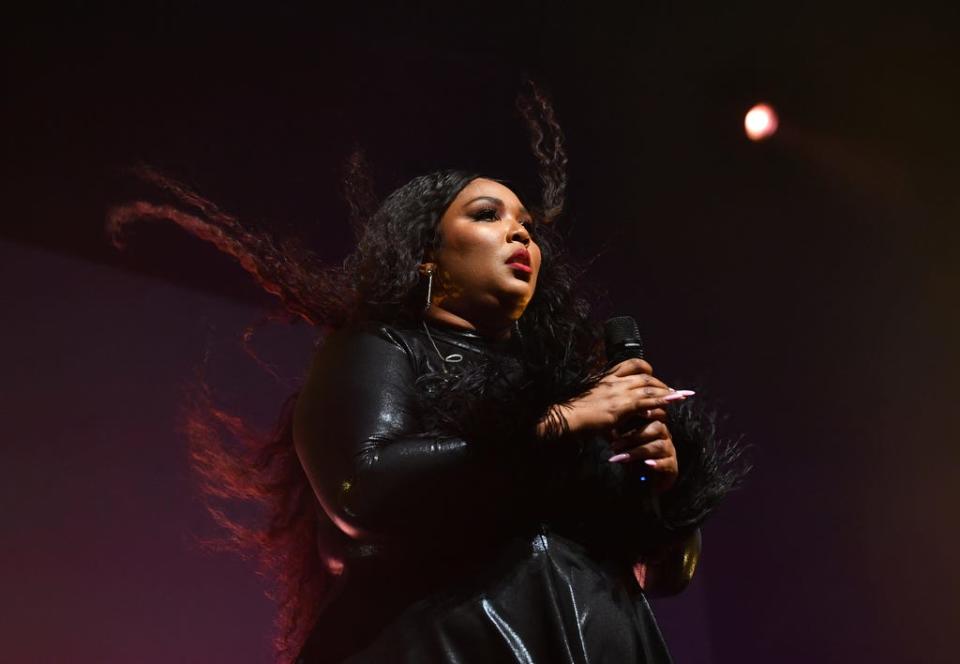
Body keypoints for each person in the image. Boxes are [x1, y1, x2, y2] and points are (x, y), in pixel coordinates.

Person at [107, 85, 742, 663]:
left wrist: (664, 490)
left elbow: (666, 574)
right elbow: (367, 490)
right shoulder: (381, 347)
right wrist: (556, 424)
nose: (520, 234)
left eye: (527, 226)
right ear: (424, 257)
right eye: (489, 215)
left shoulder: (577, 388)